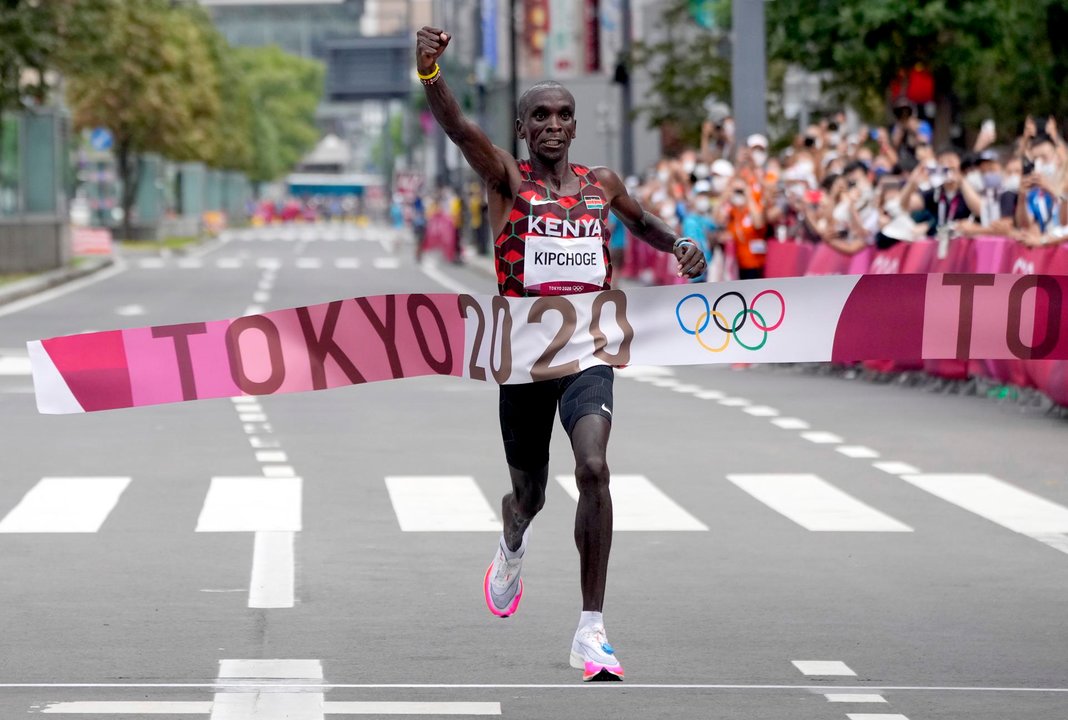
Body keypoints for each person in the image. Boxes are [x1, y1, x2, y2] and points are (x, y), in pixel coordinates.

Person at [416, 26, 705, 682]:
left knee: (596, 469)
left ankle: (591, 629)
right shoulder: (507, 182)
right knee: (531, 493)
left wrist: (679, 245)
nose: (553, 124)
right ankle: (512, 537)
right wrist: (431, 75)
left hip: (587, 353)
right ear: (522, 128)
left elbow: (643, 224)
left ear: (576, 127)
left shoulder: (599, 184)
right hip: (522, 363)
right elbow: (460, 129)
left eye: (564, 115)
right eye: (540, 116)